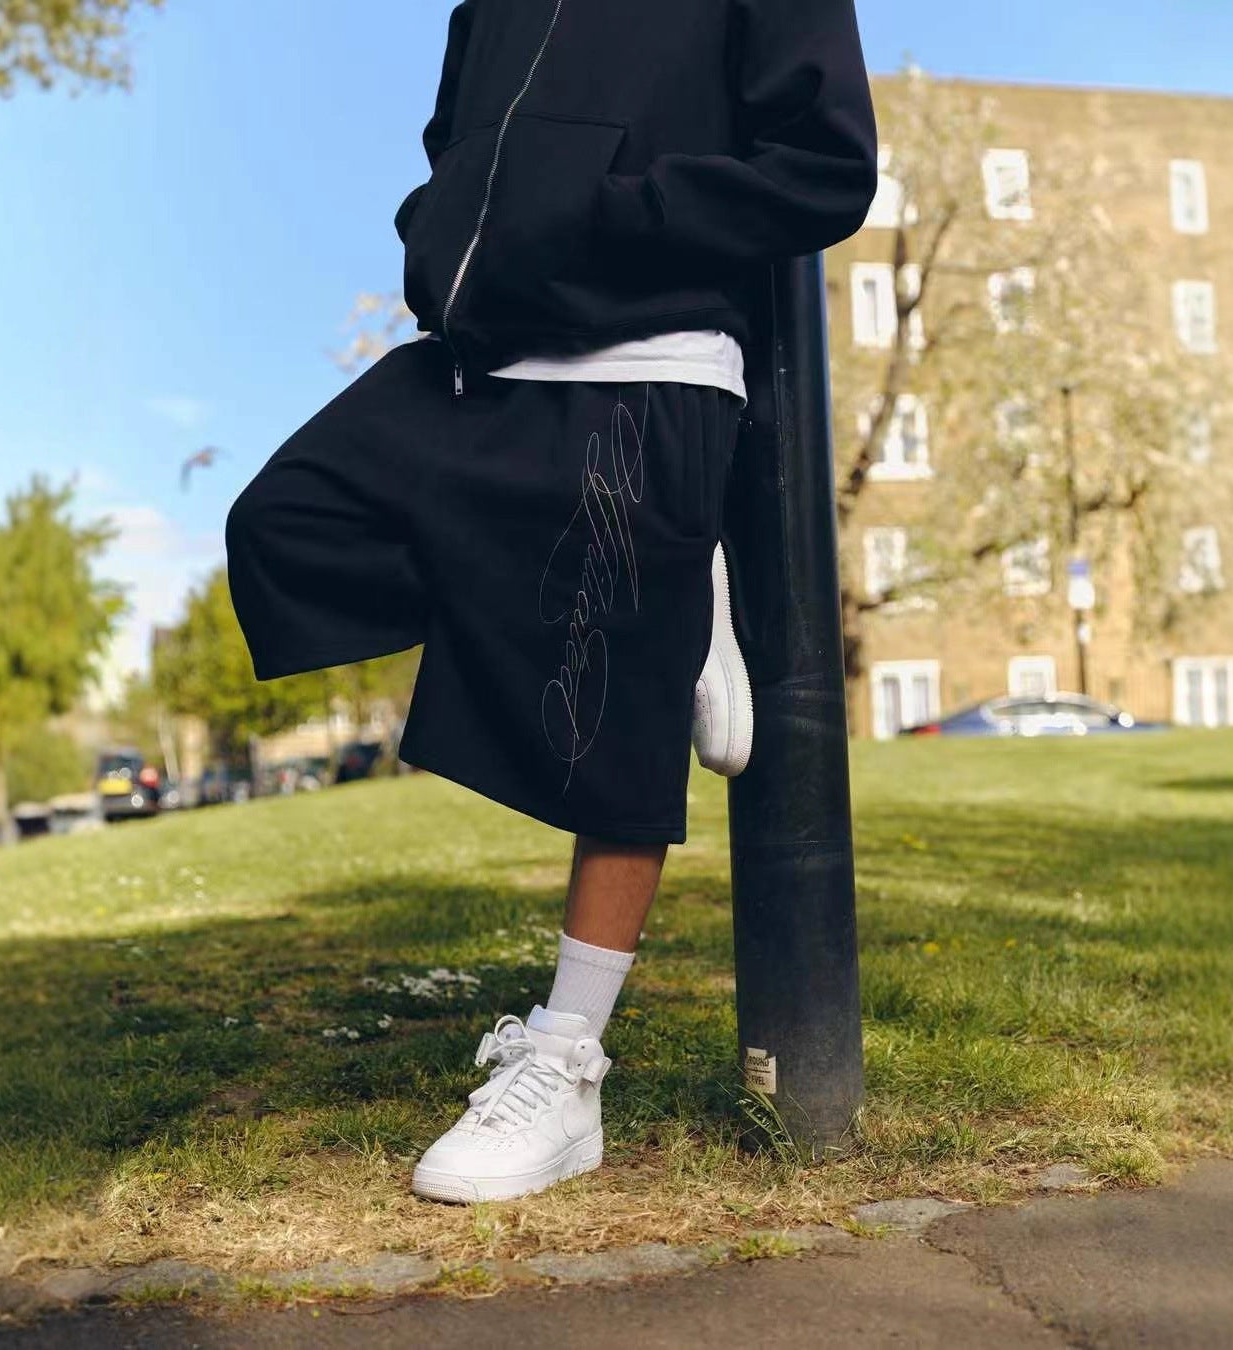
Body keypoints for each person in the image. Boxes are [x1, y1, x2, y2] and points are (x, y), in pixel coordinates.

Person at [225, 0, 877, 1204]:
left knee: (608, 728)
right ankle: (666, 602)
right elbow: (455, 157)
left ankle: (565, 1068)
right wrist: (442, 237)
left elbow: (827, 168)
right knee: (287, 527)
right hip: (485, 360)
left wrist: (605, 215)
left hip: (654, 355)